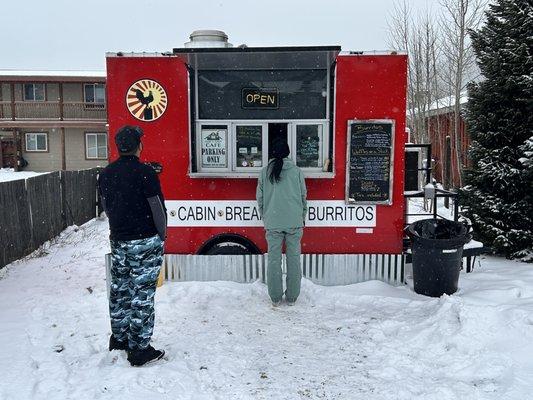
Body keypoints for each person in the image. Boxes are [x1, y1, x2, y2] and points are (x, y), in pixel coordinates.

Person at [98, 125, 167, 366]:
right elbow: (157, 208)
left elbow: (106, 206)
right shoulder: (145, 173)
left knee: (120, 290)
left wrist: (118, 227)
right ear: (139, 145)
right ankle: (139, 349)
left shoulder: (106, 173)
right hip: (145, 241)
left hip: (119, 240)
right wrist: (162, 235)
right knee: (142, 294)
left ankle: (119, 338)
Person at [256, 139, 307, 306]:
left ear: (272, 153)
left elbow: (260, 198)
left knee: (274, 260)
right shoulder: (297, 171)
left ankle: (275, 297)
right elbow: (303, 196)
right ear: (288, 153)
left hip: (273, 222)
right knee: (293, 259)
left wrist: (267, 216)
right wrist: (301, 216)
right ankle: (292, 297)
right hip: (294, 221)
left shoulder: (264, 172)